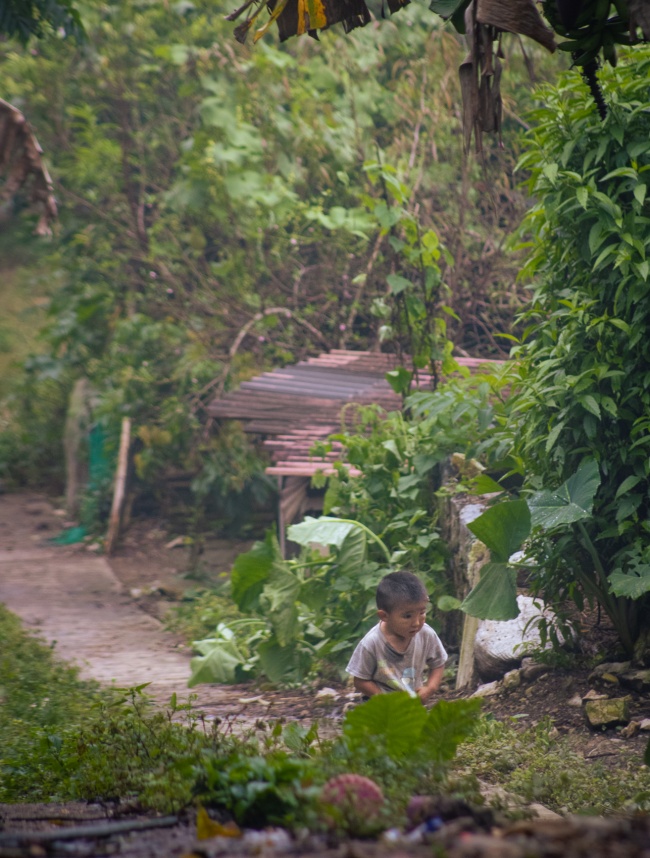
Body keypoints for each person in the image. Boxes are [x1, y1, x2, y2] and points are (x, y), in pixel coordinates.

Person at [346, 571, 447, 702]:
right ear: (384, 616)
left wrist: (430, 688)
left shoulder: (426, 634)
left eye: (422, 612)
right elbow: (360, 681)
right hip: (380, 706)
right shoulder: (372, 642)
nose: (416, 622)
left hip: (412, 704)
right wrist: (386, 700)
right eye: (407, 616)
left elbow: (438, 663)